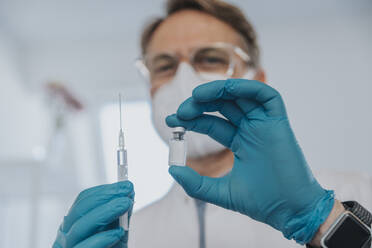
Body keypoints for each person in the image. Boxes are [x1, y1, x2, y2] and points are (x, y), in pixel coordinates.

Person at [52, 0, 372, 247]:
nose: (184, 79)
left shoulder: (355, 194)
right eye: (164, 65)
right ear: (149, 88)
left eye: (210, 58)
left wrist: (323, 222)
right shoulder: (129, 234)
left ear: (256, 80)